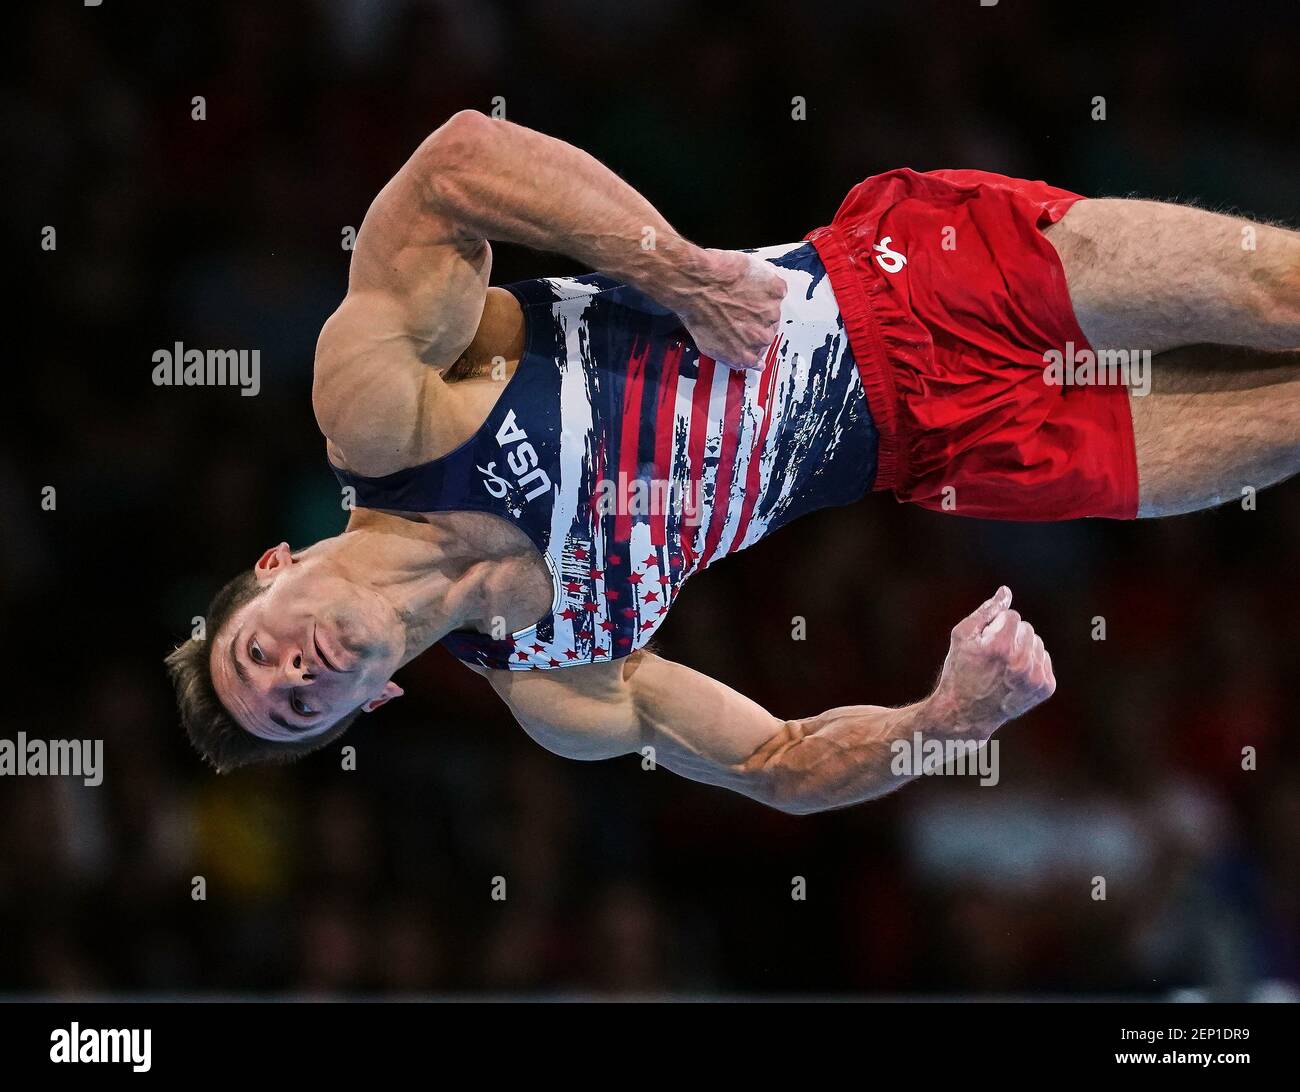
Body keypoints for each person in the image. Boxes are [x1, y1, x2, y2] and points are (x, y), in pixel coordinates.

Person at [166, 111, 1299, 813]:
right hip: (944, 453)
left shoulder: (382, 425)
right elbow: (774, 764)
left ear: (279, 562)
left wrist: (678, 273)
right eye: (298, 707)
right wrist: (944, 722)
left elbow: (460, 163)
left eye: (259, 652)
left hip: (909, 281)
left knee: (1275, 294)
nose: (291, 672)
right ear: (371, 703)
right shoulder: (558, 682)